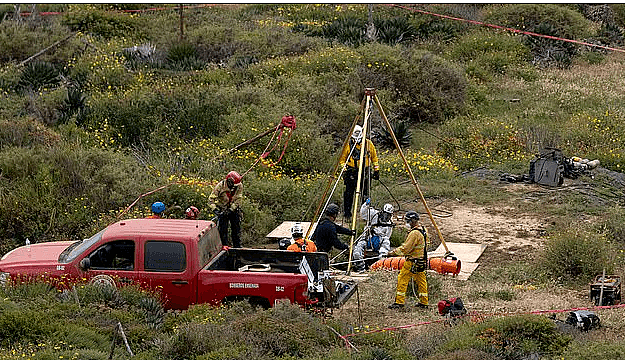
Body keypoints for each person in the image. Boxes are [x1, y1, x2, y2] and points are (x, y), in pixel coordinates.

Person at [387, 210, 429, 309]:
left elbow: (406, 248)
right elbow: (426, 244)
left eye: (407, 221)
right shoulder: (423, 230)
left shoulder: (414, 233)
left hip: (412, 262)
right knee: (421, 281)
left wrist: (392, 253)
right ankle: (424, 302)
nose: (406, 223)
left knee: (402, 279)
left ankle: (399, 302)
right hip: (421, 261)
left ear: (412, 221)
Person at [339, 125, 380, 219]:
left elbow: (374, 158)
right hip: (351, 172)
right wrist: (345, 171)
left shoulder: (368, 144)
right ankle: (347, 215)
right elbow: (342, 160)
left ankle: (365, 215)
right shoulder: (348, 145)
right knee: (349, 194)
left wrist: (376, 170)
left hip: (365, 172)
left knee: (365, 194)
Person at [353, 199, 394, 272]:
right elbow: (363, 213)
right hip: (368, 237)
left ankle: (380, 267)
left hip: (379, 241)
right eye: (385, 214)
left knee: (384, 251)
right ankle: (361, 268)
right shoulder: (374, 214)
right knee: (357, 252)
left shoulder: (389, 225)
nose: (386, 217)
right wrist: (366, 204)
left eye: (388, 215)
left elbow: (387, 236)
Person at [208, 171, 243, 248]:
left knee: (236, 229)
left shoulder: (239, 185)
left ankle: (237, 247)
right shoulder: (220, 186)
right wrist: (216, 210)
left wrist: (231, 210)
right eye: (233, 184)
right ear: (229, 181)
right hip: (222, 209)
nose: (234, 187)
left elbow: (238, 199)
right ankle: (224, 246)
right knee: (223, 230)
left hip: (233, 209)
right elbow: (211, 200)